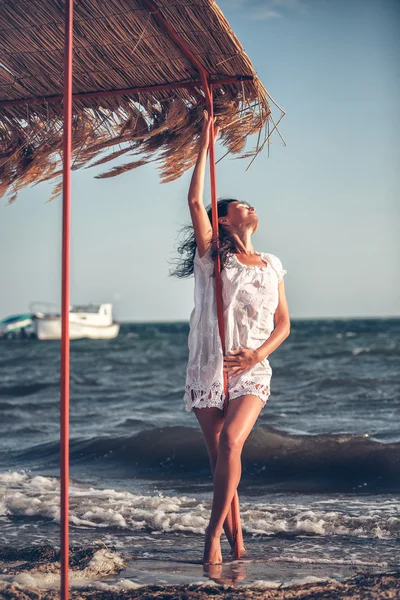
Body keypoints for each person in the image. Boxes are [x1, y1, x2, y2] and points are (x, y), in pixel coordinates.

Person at [170, 111, 290, 565]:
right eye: (240, 205)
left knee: (232, 442)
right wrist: (205, 143)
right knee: (219, 457)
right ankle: (238, 541)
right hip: (208, 363)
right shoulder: (212, 257)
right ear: (223, 221)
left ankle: (212, 534)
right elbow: (195, 200)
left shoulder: (273, 264)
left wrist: (257, 353)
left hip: (252, 367)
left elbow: (284, 324)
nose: (249, 207)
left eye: (250, 204)